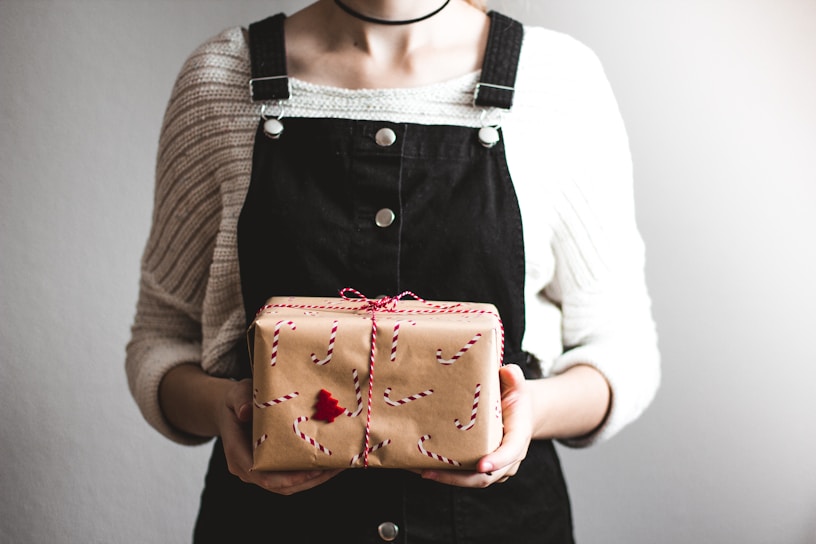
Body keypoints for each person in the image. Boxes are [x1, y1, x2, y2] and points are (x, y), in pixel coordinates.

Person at [126, 0, 660, 542]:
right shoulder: (221, 81)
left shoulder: (557, 81)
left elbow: (621, 352)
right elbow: (160, 342)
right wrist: (225, 408)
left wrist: (531, 411)